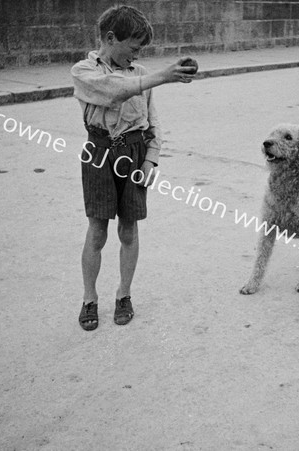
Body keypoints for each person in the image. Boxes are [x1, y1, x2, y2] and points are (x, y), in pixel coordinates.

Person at [71, 5, 196, 331]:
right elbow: (114, 90)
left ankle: (123, 295)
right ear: (111, 38)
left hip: (135, 152)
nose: (137, 55)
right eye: (134, 47)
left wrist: (151, 160)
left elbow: (153, 125)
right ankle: (89, 298)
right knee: (97, 232)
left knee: (129, 229)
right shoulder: (83, 71)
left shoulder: (141, 73)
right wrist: (164, 75)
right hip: (98, 154)